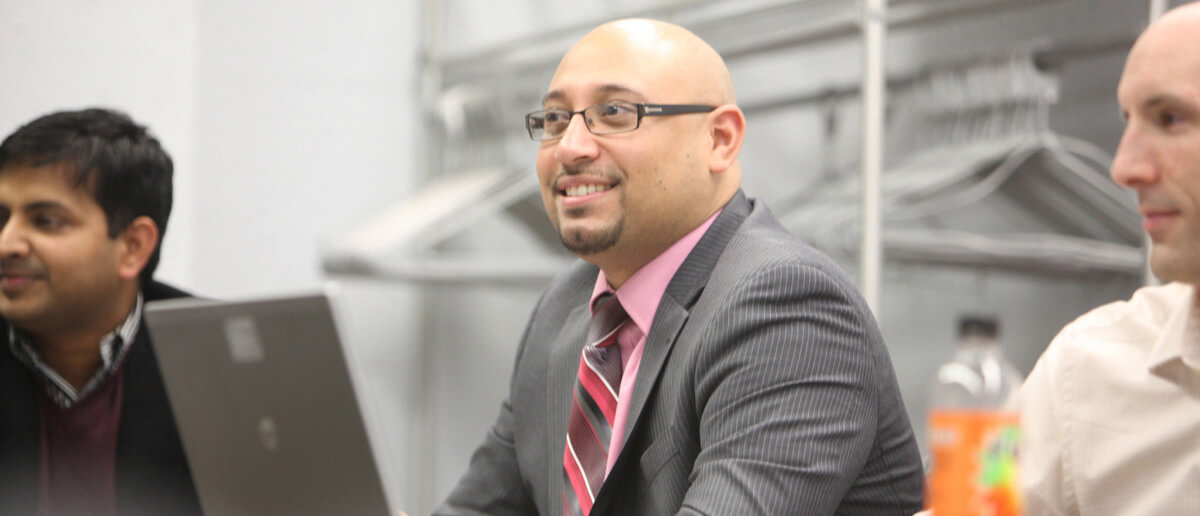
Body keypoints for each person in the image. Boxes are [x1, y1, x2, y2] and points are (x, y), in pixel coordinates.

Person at [437, 19, 924, 515]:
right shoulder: (564, 308)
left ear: (720, 139)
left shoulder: (789, 306)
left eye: (614, 112)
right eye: (556, 119)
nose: (570, 146)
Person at [1020, 4, 1200, 515]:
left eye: (1170, 118)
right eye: (1128, 120)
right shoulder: (1082, 373)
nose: (1124, 168)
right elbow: (973, 501)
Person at [0, 108, 201, 516]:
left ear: (132, 247)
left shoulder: (211, 357)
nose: (6, 244)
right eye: (1, 218)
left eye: (46, 221)